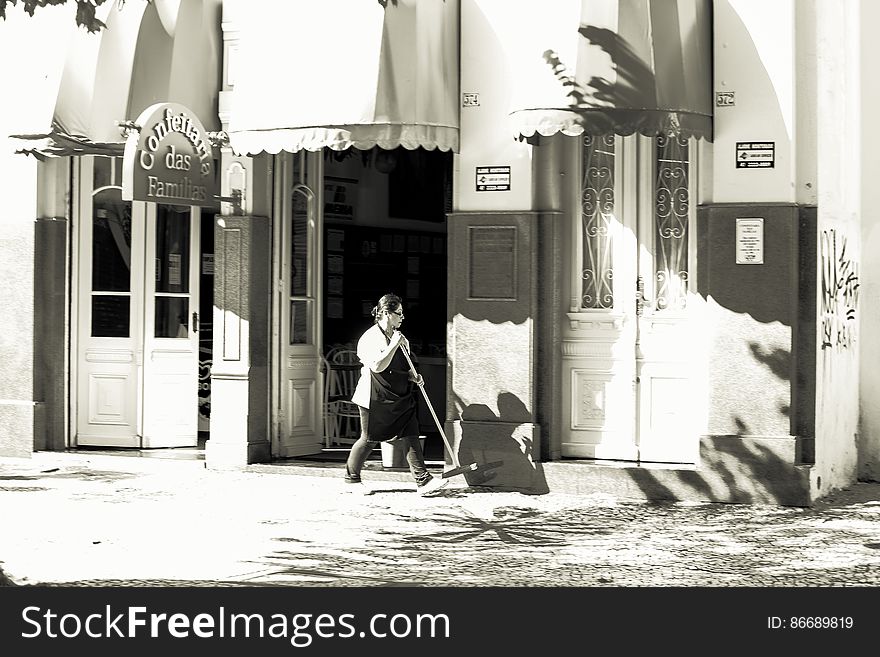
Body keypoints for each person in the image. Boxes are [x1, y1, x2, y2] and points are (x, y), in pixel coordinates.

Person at [345, 293, 448, 496]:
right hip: (372, 396)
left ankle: (422, 479)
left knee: (411, 433)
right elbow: (377, 366)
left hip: (398, 395)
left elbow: (403, 366)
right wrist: (393, 345)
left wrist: (413, 376)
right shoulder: (370, 337)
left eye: (402, 313)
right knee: (369, 439)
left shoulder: (402, 338)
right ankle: (351, 479)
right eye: (398, 313)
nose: (402, 317)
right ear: (385, 313)